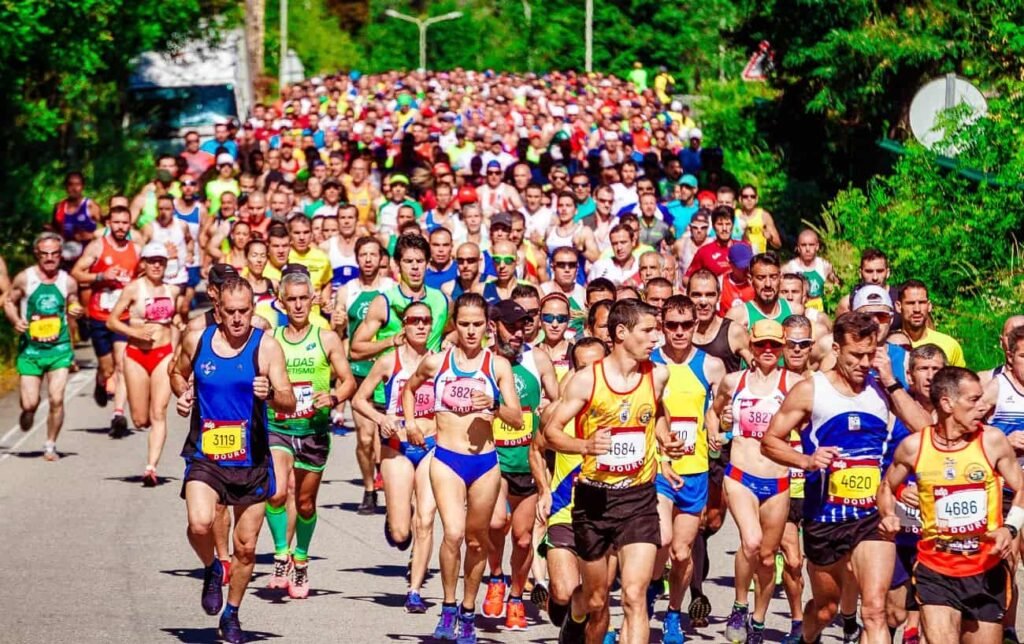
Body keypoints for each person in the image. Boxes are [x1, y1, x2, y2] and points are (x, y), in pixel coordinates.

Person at [761, 312, 932, 644]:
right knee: (826, 609)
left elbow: (927, 431)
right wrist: (807, 460)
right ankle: (805, 637)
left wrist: (891, 381)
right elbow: (770, 441)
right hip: (824, 516)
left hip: (872, 515)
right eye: (856, 355)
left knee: (874, 612)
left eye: (871, 354)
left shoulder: (883, 389)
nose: (864, 363)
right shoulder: (811, 390)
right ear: (837, 349)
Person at [543, 298, 685, 644]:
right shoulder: (585, 381)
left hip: (638, 498)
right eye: (648, 331)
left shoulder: (659, 374)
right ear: (621, 332)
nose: (658, 339)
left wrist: (664, 439)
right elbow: (551, 432)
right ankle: (576, 614)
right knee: (596, 598)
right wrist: (585, 446)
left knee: (636, 597)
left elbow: (658, 407)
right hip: (594, 499)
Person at [171, 277, 295, 644]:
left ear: (252, 309)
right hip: (206, 454)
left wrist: (271, 393)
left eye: (245, 311)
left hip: (252, 458)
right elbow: (177, 373)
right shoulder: (197, 340)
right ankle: (211, 567)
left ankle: (233, 613)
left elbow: (288, 400)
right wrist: (184, 395)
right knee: (199, 523)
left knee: (245, 547)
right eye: (231, 312)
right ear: (218, 311)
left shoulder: (267, 347)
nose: (239, 319)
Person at [400, 293, 523, 643]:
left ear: (488, 326)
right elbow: (408, 390)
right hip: (447, 459)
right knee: (452, 533)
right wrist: (410, 423)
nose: (471, 331)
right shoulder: (437, 362)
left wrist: (496, 404)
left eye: (478, 324)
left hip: (485, 462)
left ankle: (469, 610)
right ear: (455, 323)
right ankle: (449, 605)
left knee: (477, 541)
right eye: (464, 324)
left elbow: (517, 419)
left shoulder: (497, 366)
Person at [881, 367, 1024, 644]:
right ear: (947, 403)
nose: (982, 406)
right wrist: (888, 513)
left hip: (985, 569)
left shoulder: (992, 441)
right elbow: (886, 485)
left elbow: (1022, 488)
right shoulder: (914, 447)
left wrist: (1010, 528)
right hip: (936, 570)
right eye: (973, 400)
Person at [262, 269, 355, 599]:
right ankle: (280, 554)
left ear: (313, 299)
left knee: (304, 503)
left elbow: (348, 380)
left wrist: (332, 397)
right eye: (292, 300)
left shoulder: (326, 337)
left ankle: (300, 558)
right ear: (282, 302)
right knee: (275, 491)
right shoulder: (271, 339)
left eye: (304, 298)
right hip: (279, 427)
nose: (299, 305)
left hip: (314, 431)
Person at [713, 320, 801, 643]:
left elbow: (812, 421)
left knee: (767, 556)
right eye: (761, 345)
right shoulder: (734, 381)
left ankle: (759, 620)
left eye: (774, 346)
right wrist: (714, 431)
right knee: (750, 541)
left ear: (782, 349)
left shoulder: (793, 384)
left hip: (777, 480)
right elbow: (714, 411)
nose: (767, 351)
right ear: (751, 344)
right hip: (740, 475)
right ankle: (739, 605)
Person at [350, 235, 449, 514]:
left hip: (428, 399)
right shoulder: (384, 301)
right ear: (396, 266)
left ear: (428, 264)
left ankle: (417, 543)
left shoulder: (441, 300)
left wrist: (451, 342)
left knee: (424, 493)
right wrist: (390, 341)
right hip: (388, 395)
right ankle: (379, 497)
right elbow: (356, 348)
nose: (415, 267)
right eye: (408, 262)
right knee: (371, 445)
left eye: (420, 261)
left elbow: (450, 331)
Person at [352, 302, 439, 613]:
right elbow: (359, 400)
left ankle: (414, 591)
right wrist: (380, 420)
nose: (420, 326)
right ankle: (395, 521)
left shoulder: (440, 361)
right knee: (402, 530)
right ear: (404, 324)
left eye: (426, 321)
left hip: (432, 445)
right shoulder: (389, 362)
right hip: (396, 447)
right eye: (414, 320)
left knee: (425, 520)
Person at [650, 295, 725, 644]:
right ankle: (647, 593)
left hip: (694, 470)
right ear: (662, 326)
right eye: (672, 325)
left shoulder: (711, 365)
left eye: (686, 325)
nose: (679, 332)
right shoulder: (648, 363)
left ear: (697, 326)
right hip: (657, 470)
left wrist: (714, 426)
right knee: (661, 540)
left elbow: (720, 407)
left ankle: (673, 614)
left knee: (681, 553)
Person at [482, 301, 559, 631]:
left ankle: (515, 596)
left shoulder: (536, 357)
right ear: (494, 325)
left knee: (525, 539)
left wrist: (549, 405)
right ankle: (496, 576)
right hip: (494, 460)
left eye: (524, 325)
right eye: (511, 326)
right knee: (497, 523)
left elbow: (558, 398)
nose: (518, 332)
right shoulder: (483, 360)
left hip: (529, 459)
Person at [534, 337, 609, 632]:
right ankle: (563, 606)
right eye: (582, 368)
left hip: (607, 512)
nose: (590, 375)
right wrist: (543, 490)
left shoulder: (622, 406)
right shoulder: (560, 411)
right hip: (565, 509)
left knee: (594, 597)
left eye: (597, 366)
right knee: (565, 591)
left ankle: (577, 624)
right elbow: (536, 449)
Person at [4, 232, 83, 461]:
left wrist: (76, 308)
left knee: (57, 398)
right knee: (30, 402)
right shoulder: (25, 278)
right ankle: (28, 411)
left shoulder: (67, 281)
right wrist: (15, 320)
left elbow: (73, 302)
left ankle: (50, 445)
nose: (50, 258)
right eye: (45, 254)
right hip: (31, 350)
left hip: (59, 349)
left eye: (55, 254)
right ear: (37, 254)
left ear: (61, 255)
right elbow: (9, 300)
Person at [106, 243, 180, 486]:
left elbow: (177, 319)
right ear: (144, 264)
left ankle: (151, 468)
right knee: (141, 420)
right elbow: (112, 321)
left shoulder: (173, 291)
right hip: (137, 354)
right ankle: (141, 421)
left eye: (160, 261)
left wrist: (179, 349)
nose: (156, 265)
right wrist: (134, 333)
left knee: (159, 412)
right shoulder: (133, 289)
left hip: (163, 354)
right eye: (151, 261)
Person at [71, 205, 139, 436]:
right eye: (117, 222)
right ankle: (101, 380)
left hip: (123, 317)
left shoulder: (136, 249)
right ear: (109, 223)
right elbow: (76, 272)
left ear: (130, 225)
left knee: (122, 364)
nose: (121, 227)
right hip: (99, 316)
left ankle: (118, 414)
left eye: (125, 223)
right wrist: (101, 276)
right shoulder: (98, 246)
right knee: (107, 366)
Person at [898, 279, 967, 367]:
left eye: (922, 303)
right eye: (910, 303)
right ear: (898, 306)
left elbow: (960, 379)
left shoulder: (949, 345)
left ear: (929, 306)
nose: (917, 309)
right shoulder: (892, 346)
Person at [727, 251, 802, 330]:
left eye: (773, 277)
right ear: (750, 280)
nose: (768, 284)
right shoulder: (737, 315)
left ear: (781, 278)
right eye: (761, 278)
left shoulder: (795, 311)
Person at [782, 229, 838, 311]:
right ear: (798, 247)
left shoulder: (825, 266)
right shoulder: (789, 268)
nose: (807, 249)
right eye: (803, 245)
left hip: (820, 312)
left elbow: (835, 289)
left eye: (811, 245)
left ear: (817, 246)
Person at [684, 206, 736, 279]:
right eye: (720, 224)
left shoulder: (744, 248)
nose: (724, 228)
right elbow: (686, 279)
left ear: (733, 225)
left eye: (728, 224)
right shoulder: (704, 252)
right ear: (714, 227)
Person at [733, 185, 780, 254]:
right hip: (739, 257)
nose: (749, 199)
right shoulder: (734, 215)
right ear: (740, 199)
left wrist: (770, 238)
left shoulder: (764, 215)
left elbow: (778, 244)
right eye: (745, 196)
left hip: (759, 259)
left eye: (752, 196)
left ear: (756, 199)